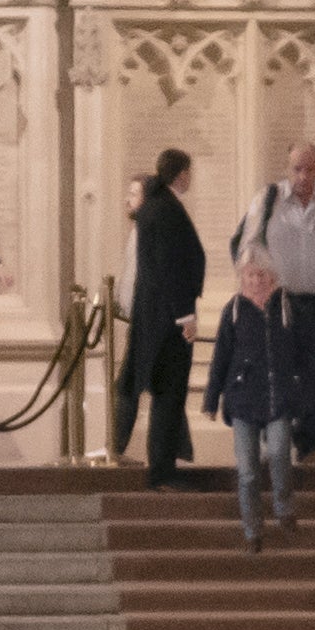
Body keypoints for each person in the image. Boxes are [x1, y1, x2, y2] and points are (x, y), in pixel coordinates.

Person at [230, 144, 315, 453]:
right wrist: (253, 291)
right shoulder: (268, 201)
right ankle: (276, 444)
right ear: (287, 168)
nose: (303, 176)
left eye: (309, 169)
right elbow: (246, 246)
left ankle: (306, 444)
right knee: (279, 374)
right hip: (281, 302)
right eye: (297, 169)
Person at [113, 147, 204, 482]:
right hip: (167, 321)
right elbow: (170, 268)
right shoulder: (164, 210)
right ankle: (162, 472)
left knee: (160, 394)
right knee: (167, 395)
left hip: (154, 317)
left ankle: (162, 466)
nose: (190, 178)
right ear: (181, 173)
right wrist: (185, 316)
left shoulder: (155, 208)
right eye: (189, 172)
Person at [205, 253, 306, 546]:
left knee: (278, 453)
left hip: (279, 396)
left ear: (273, 278)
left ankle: (284, 507)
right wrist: (212, 399)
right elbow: (220, 357)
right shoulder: (234, 310)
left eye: (262, 275)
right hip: (243, 399)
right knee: (247, 470)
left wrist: (305, 393)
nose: (257, 280)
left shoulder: (286, 307)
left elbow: (302, 354)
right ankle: (253, 530)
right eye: (251, 275)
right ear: (242, 278)